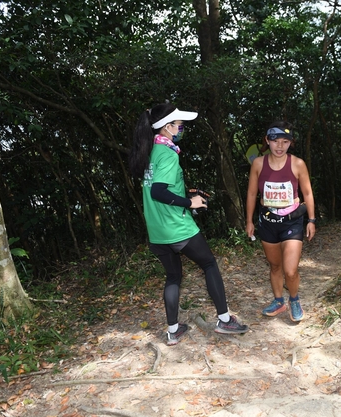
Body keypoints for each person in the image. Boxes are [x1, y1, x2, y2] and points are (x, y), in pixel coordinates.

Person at [129, 102, 248, 345]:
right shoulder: (168, 154)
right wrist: (189, 202)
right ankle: (225, 320)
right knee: (209, 264)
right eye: (179, 125)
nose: (181, 128)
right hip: (177, 227)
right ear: (167, 127)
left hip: (157, 230)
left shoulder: (148, 152)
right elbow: (158, 192)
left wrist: (187, 192)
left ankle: (173, 331)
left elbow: (159, 187)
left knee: (173, 276)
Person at [245, 121, 316, 322]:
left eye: (285, 142)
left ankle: (294, 299)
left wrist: (311, 220)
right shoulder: (259, 164)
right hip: (268, 221)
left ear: (290, 143)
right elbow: (251, 193)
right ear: (267, 141)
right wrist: (249, 221)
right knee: (275, 266)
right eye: (276, 141)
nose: (280, 146)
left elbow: (307, 192)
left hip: (292, 221)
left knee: (290, 270)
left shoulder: (297, 164)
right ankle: (279, 301)